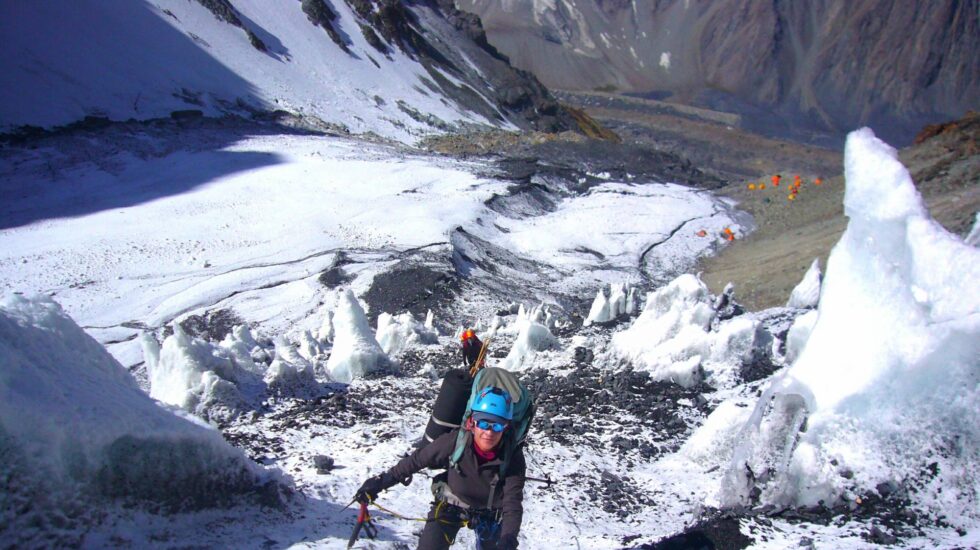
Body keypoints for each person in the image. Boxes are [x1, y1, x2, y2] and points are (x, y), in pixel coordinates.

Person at [355, 386, 525, 550]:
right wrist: (380, 482)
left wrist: (508, 538)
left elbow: (512, 502)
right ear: (472, 423)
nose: (489, 432)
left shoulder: (512, 456)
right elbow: (417, 461)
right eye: (484, 423)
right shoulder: (456, 441)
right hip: (450, 506)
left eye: (497, 425)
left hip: (491, 515)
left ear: (506, 427)